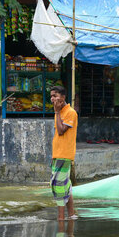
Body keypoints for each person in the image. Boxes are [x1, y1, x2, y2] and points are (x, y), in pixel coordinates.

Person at [50, 85, 78, 220]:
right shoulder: (60, 112)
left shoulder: (70, 112)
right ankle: (71, 214)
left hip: (64, 154)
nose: (52, 99)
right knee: (65, 185)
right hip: (57, 154)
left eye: (55, 96)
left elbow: (61, 131)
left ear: (63, 97)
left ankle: (61, 218)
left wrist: (56, 112)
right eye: (51, 96)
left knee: (58, 186)